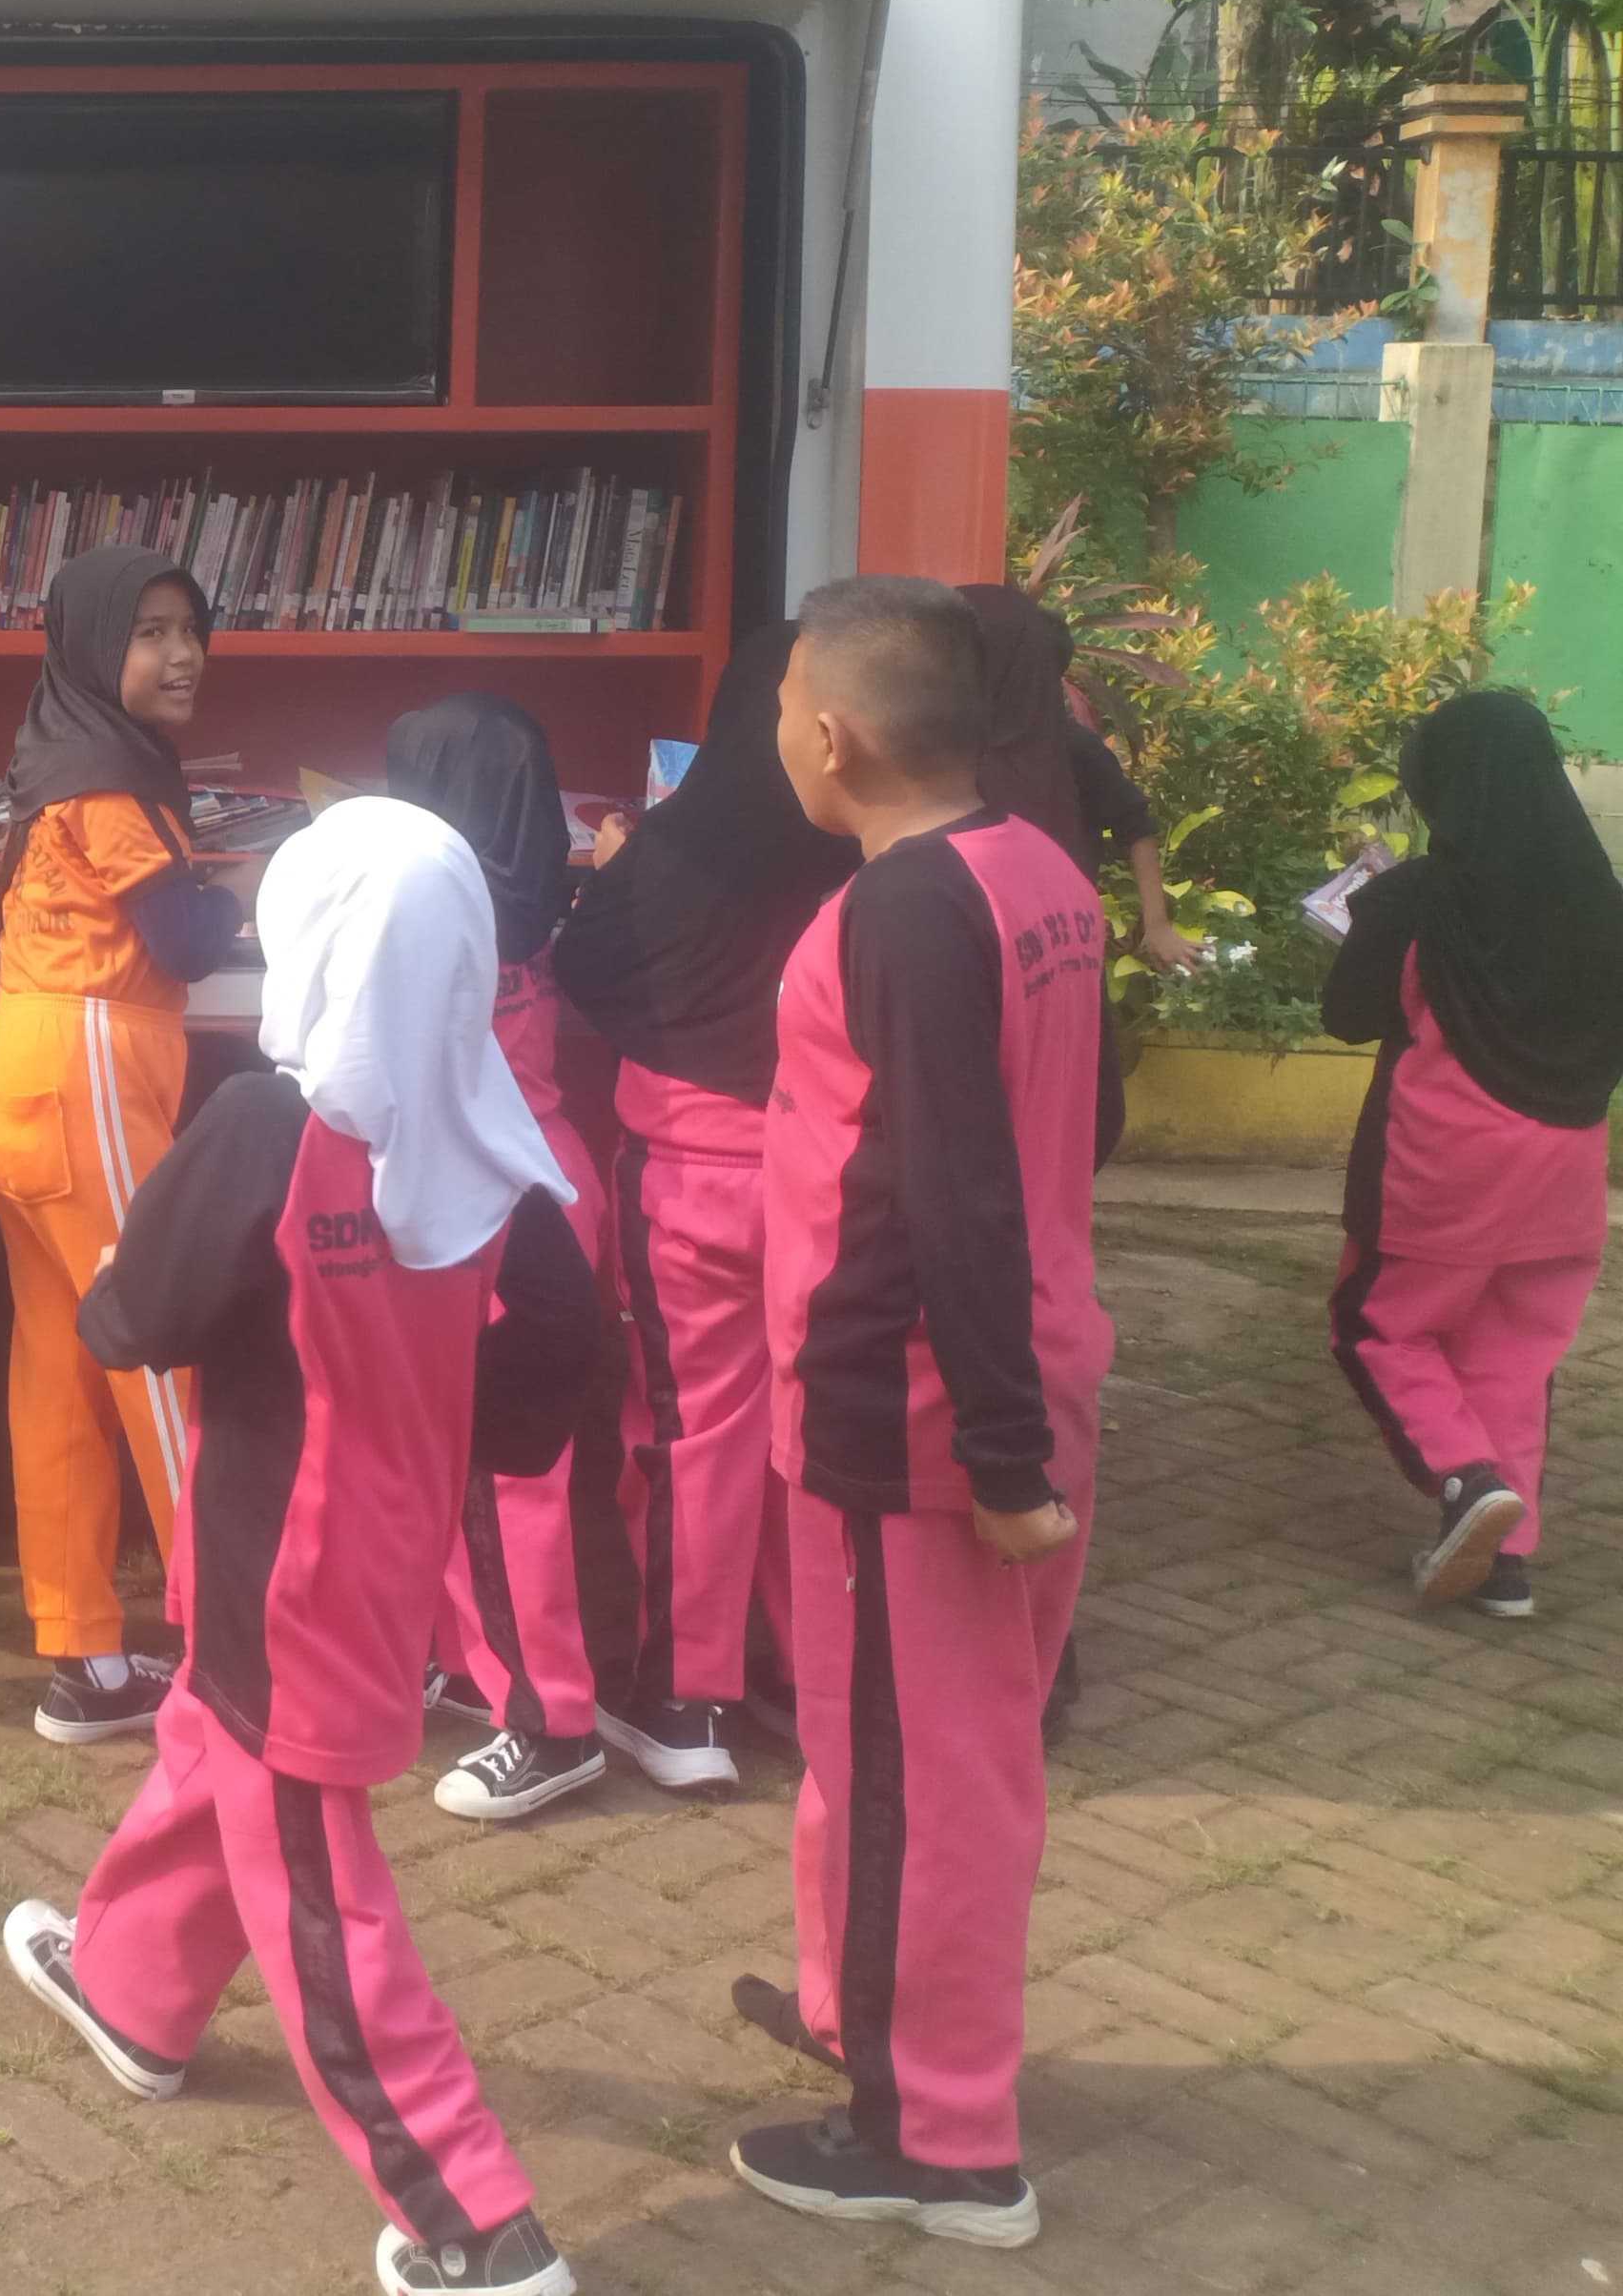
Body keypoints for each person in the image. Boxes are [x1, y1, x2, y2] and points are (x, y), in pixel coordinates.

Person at [0, 797, 600, 2296]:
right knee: (214, 1745)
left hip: (278, 1572)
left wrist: (150, 1272)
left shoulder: (267, 1127)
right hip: (381, 1560)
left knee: (321, 1894)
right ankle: (130, 1987)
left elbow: (129, 1317)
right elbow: (557, 1362)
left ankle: (474, 2216)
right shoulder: (496, 1135)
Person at [726, 576, 1103, 2251]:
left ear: (833, 735)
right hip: (1004, 1370)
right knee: (891, 1750)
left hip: (924, 1412)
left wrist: (999, 1450)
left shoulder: (906, 907)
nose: (776, 733)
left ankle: (940, 2139)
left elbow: (957, 1184)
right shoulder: (1036, 868)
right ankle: (863, 2015)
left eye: (780, 707)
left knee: (923, 1777)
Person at [548, 625, 855, 1789]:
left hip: (691, 1177)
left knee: (690, 1435)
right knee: (806, 1429)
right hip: (825, 1172)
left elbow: (588, 969)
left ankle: (683, 1698)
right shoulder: (866, 846)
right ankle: (806, 1676)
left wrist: (619, 867)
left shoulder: (678, 844)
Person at [0, 545, 245, 1744]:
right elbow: (183, 939)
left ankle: (85, 1652)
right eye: (149, 632)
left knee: (62, 1365)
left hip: (27, 1063)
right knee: (157, 1351)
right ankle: (227, 1646)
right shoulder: (107, 780)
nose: (181, 655)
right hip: (84, 1071)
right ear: (93, 645)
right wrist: (250, 886)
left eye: (189, 628)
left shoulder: (67, 753)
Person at [1319, 687, 1623, 1621]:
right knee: (1511, 1357)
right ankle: (1504, 1563)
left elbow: (1347, 1014)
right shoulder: (1603, 902)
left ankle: (1463, 1479)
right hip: (1564, 1173)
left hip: (1440, 1166)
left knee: (1375, 1326)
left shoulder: (1416, 896)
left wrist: (1363, 918)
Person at [386, 692, 617, 1826]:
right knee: (467, 1459)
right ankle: (473, 1664)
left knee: (503, 1476)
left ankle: (551, 1718)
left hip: (487, 1203)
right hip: (538, 1174)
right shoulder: (539, 895)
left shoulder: (426, 904)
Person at [959, 584, 1199, 1168]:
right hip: (975, 943)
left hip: (1051, 944)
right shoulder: (955, 748)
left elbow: (1136, 824)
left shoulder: (1073, 747)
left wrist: (1157, 924)